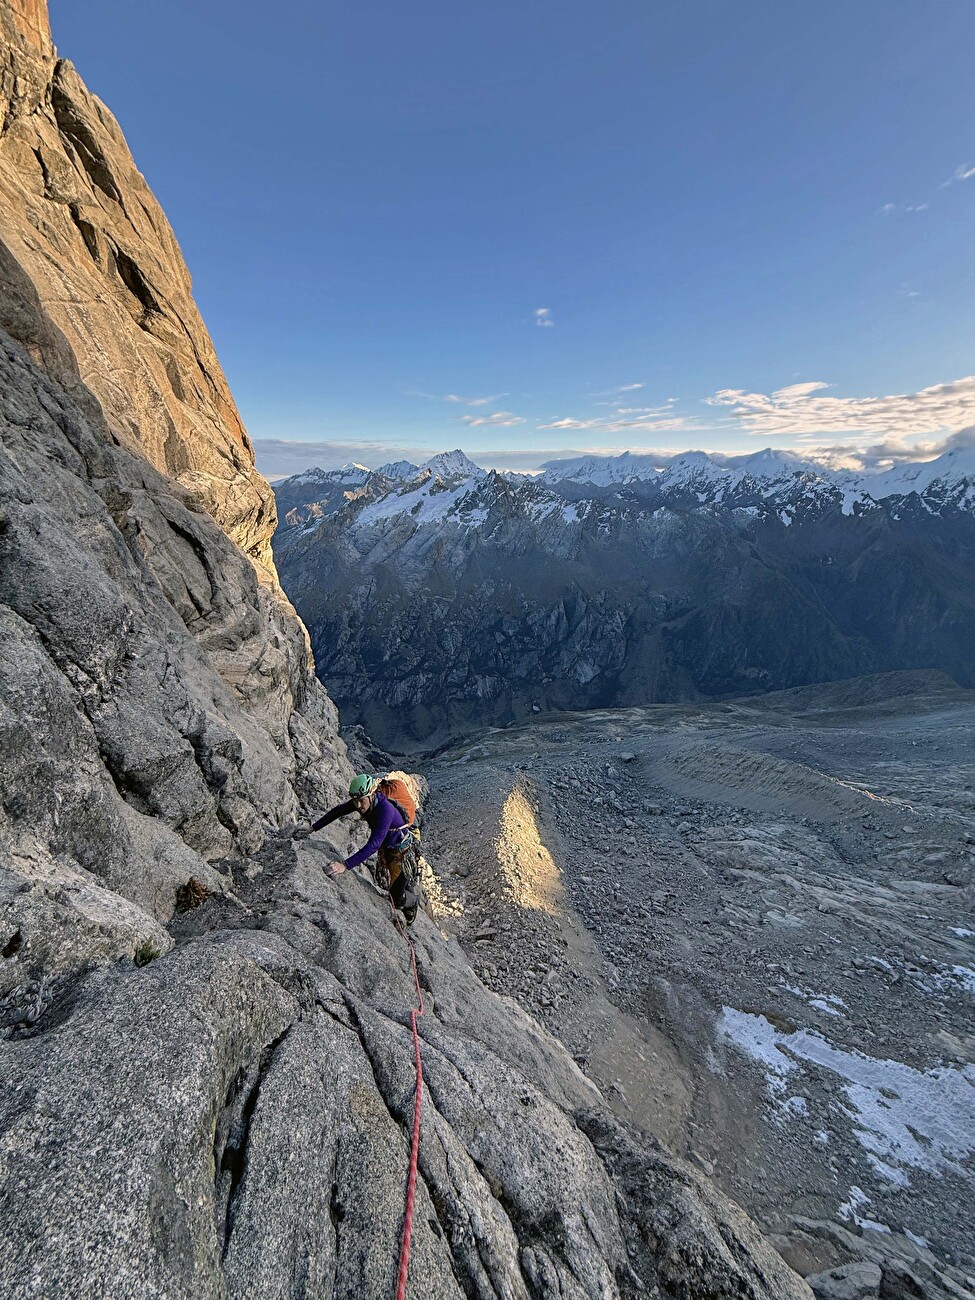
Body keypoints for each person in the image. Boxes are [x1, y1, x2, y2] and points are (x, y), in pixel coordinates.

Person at [301, 774, 420, 924]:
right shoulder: (364, 800)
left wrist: (345, 865)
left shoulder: (385, 810)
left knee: (396, 899)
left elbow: (374, 844)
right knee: (394, 887)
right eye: (355, 801)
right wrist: (313, 828)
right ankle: (406, 887)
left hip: (401, 854)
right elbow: (338, 811)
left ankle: (413, 901)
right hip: (390, 849)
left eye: (361, 801)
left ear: (371, 795)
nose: (358, 806)